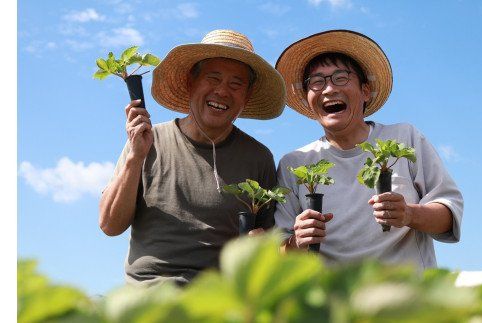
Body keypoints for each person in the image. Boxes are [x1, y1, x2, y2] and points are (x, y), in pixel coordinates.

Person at [99, 29, 286, 286]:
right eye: (213, 78)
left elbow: (269, 246)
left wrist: (260, 244)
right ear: (190, 82)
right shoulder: (146, 141)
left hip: (218, 301)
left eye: (236, 84)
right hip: (149, 295)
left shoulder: (258, 158)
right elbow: (110, 225)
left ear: (247, 97)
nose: (222, 91)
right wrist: (134, 157)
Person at [274, 30, 463, 269]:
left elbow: (449, 216)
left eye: (340, 78)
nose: (329, 89)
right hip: (332, 303)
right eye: (316, 82)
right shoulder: (294, 163)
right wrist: (295, 242)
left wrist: (409, 214)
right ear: (308, 98)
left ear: (365, 91)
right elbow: (277, 251)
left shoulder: (404, 137)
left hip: (409, 299)